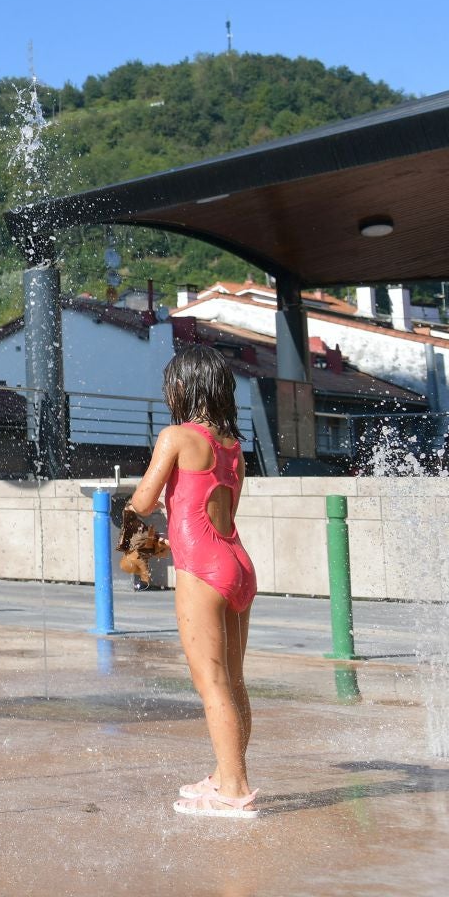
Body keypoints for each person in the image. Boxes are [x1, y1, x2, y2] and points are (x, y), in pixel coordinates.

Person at [126, 344, 261, 819]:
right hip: (238, 562)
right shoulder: (233, 447)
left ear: (181, 387)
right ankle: (227, 776)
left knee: (212, 684)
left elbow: (143, 501)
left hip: (202, 569)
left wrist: (147, 505)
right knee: (234, 682)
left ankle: (235, 790)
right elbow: (221, 509)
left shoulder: (177, 437)